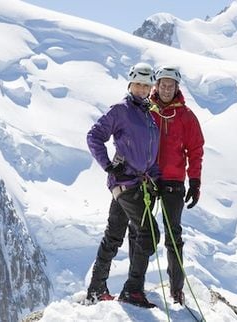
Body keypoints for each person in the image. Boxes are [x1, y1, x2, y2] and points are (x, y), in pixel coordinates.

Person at [85, 62, 161, 308]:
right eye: (138, 84)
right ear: (130, 84)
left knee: (114, 234)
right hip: (126, 182)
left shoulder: (148, 114)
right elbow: (94, 135)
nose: (142, 89)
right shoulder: (121, 110)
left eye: (146, 85)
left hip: (137, 183)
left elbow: (148, 154)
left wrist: (155, 177)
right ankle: (133, 291)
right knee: (149, 233)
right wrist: (107, 164)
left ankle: (97, 289)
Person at [149, 65, 205, 305]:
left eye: (171, 85)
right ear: (157, 85)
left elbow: (195, 149)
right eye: (163, 84)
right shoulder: (146, 110)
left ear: (177, 88)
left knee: (173, 236)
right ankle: (135, 287)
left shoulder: (186, 116)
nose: (166, 89)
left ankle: (176, 289)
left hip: (173, 179)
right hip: (147, 177)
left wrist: (194, 180)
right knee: (141, 232)